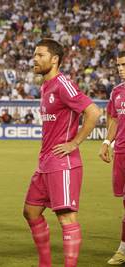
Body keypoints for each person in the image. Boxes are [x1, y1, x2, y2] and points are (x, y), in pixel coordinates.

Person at [22, 38, 101, 267]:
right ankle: (45, 263)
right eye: (34, 54)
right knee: (31, 212)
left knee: (66, 217)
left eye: (40, 55)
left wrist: (74, 143)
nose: (34, 59)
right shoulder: (46, 86)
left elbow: (93, 112)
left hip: (63, 164)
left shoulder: (62, 84)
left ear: (54, 59)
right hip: (45, 163)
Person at [99, 50, 125, 265]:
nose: (120, 69)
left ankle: (122, 249)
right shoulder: (117, 92)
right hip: (121, 153)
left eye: (124, 65)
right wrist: (107, 142)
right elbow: (115, 120)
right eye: (118, 66)